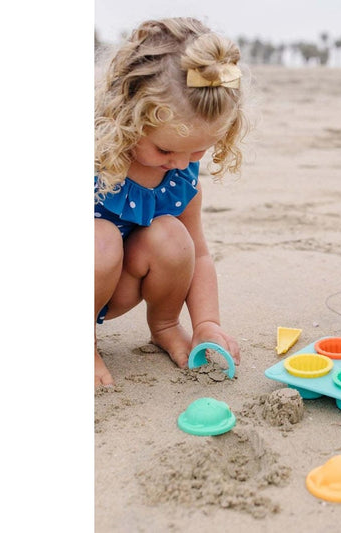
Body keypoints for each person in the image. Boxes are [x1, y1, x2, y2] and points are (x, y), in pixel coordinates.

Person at [94, 18, 247, 387]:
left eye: (198, 151)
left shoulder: (180, 176)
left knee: (174, 236)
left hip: (121, 288)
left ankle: (164, 325)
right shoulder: (94, 160)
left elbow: (201, 254)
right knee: (101, 238)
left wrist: (207, 323)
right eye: (165, 149)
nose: (181, 163)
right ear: (127, 117)